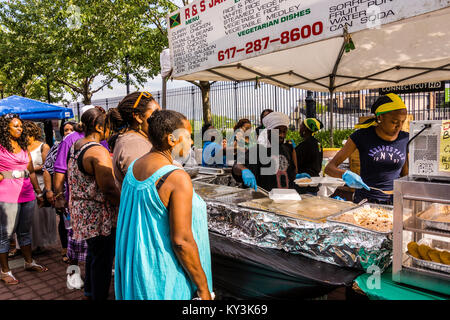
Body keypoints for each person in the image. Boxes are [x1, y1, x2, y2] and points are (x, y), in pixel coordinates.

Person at [115, 110, 213, 300]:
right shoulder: (176, 177)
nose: (192, 142)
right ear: (171, 139)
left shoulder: (135, 166)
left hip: (140, 274)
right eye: (188, 136)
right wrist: (203, 289)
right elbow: (181, 241)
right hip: (165, 279)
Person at [67, 107, 120, 300]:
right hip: (98, 214)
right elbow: (109, 188)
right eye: (108, 127)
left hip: (83, 211)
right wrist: (124, 205)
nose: (110, 131)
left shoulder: (77, 144)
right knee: (103, 260)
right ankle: (98, 295)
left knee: (94, 254)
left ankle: (89, 291)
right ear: (99, 126)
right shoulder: (98, 151)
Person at [324, 93, 409, 205]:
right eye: (394, 122)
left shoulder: (405, 138)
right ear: (380, 117)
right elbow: (329, 168)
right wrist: (345, 174)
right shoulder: (361, 136)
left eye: (403, 121)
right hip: (366, 201)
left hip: (395, 201)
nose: (399, 126)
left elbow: (405, 175)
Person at [0, 114, 48, 285]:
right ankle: (5, 271)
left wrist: (39, 193)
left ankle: (29, 262)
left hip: (27, 192)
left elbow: (32, 172)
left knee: (25, 231)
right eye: (16, 126)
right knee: (5, 234)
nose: (20, 128)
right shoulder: (0, 147)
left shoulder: (23, 147)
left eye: (20, 125)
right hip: (6, 195)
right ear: (6, 128)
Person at [108, 91, 161, 190]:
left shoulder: (136, 139)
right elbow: (145, 186)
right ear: (138, 117)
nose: (160, 117)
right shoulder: (134, 144)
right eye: (155, 113)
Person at [232, 111, 297, 192]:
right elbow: (236, 166)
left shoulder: (287, 149)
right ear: (269, 131)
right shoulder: (258, 149)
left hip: (286, 197)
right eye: (278, 131)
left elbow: (291, 172)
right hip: (265, 198)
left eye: (284, 131)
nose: (281, 135)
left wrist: (297, 177)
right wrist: (244, 170)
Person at [42, 120, 76, 263]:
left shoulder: (82, 145)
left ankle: (76, 250)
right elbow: (47, 169)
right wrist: (50, 191)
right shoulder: (57, 147)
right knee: (64, 220)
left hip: (77, 190)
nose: (67, 132)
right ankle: (65, 248)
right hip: (61, 190)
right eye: (65, 130)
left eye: (70, 129)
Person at [23, 121, 57, 252]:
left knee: (41, 216)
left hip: (41, 183)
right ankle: (30, 243)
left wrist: (30, 169)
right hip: (26, 184)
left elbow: (47, 166)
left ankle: (40, 242)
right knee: (29, 217)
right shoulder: (22, 147)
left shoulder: (43, 146)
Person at [294, 118, 324, 195]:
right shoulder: (318, 144)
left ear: (305, 129)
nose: (299, 129)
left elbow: (294, 162)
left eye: (301, 126)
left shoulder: (305, 145)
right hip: (314, 184)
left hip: (303, 185)